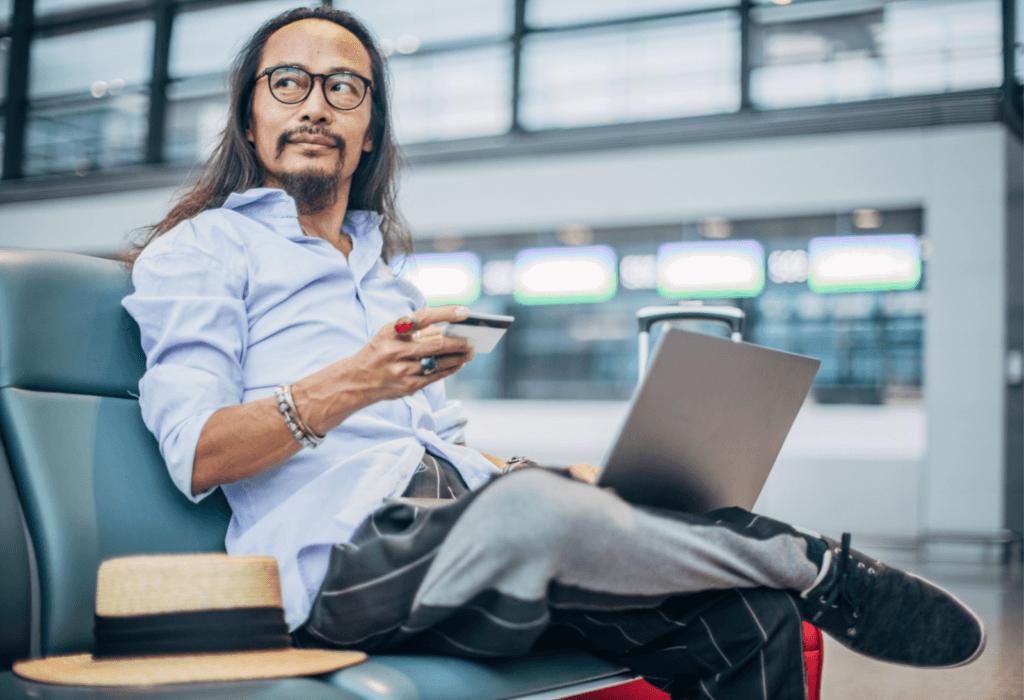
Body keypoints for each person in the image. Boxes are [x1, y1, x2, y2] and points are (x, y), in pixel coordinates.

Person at [121, 7, 985, 699]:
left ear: (372, 127)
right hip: (340, 566)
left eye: (345, 87)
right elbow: (198, 454)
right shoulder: (199, 253)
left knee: (747, 617)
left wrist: (551, 479)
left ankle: (751, 565)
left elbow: (435, 452)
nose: (315, 103)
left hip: (477, 547)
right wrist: (349, 386)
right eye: (290, 82)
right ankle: (810, 563)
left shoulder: (388, 283)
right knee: (532, 511)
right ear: (250, 110)